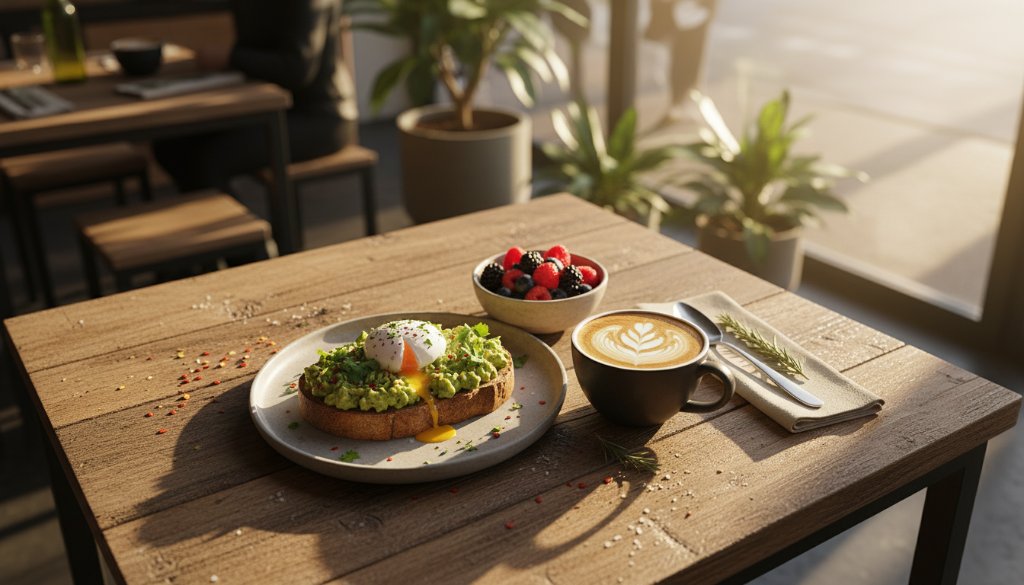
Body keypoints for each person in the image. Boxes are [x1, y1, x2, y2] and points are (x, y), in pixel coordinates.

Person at [153, 0, 358, 193]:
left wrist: (230, 57)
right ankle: (226, 223)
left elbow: (297, 70)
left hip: (319, 117)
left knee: (208, 159)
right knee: (170, 146)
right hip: (267, 107)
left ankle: (238, 229)